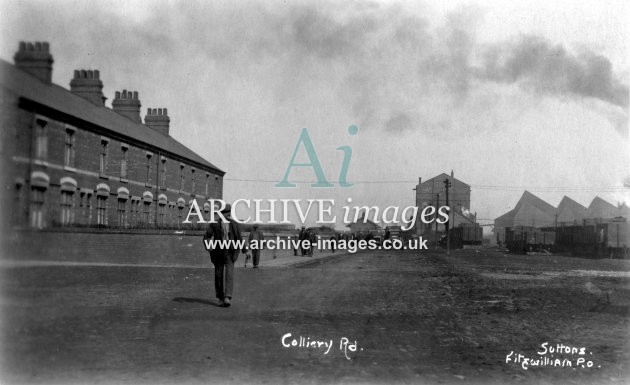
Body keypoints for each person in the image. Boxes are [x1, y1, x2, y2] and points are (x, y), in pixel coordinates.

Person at [203, 203, 247, 307]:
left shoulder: (234, 224)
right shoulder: (215, 224)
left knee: (229, 274)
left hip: (230, 252)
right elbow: (206, 237)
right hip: (218, 251)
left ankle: (227, 297)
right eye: (227, 213)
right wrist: (209, 246)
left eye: (229, 213)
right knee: (218, 275)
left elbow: (239, 238)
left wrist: (246, 251)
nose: (228, 215)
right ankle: (220, 297)